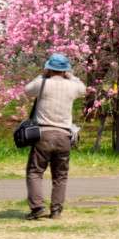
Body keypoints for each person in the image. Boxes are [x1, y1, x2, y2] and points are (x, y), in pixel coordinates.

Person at [24, 53, 86, 220]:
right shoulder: (72, 86)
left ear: (49, 68)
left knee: (35, 171)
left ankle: (37, 207)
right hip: (64, 135)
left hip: (43, 135)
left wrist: (41, 75)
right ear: (65, 70)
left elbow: (27, 90)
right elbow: (83, 88)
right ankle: (56, 210)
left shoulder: (42, 83)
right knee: (60, 175)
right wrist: (71, 76)